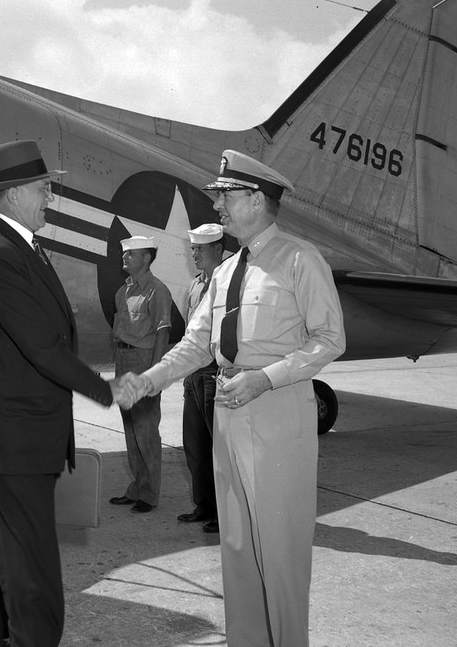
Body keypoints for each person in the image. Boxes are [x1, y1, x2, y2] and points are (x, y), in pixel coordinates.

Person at [123, 150, 346, 646]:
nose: (217, 205)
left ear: (256, 199)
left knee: (281, 549)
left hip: (277, 408)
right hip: (227, 411)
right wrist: (151, 379)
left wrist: (265, 378)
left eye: (225, 195)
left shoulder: (300, 259)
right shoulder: (224, 274)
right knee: (238, 544)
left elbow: (329, 339)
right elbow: (196, 345)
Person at [0, 140, 133, 647]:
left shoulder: (21, 246)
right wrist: (106, 389)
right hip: (12, 436)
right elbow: (41, 346)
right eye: (41, 188)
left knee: (19, 544)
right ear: (11, 195)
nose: (49, 196)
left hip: (24, 432)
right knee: (35, 575)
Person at [108, 235, 173, 514]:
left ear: (146, 258)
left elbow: (163, 332)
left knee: (146, 430)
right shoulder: (123, 292)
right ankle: (136, 488)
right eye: (124, 254)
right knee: (131, 428)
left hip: (143, 361)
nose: (125, 258)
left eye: (130, 254)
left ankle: (149, 494)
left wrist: (155, 374)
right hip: (124, 359)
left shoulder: (156, 290)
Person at [177, 223, 224, 534]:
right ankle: (204, 505)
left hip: (212, 373)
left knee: (219, 448)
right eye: (193, 248)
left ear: (217, 250)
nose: (194, 254)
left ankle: (225, 513)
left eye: (200, 249)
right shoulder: (196, 286)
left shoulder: (227, 283)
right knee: (194, 445)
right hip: (193, 375)